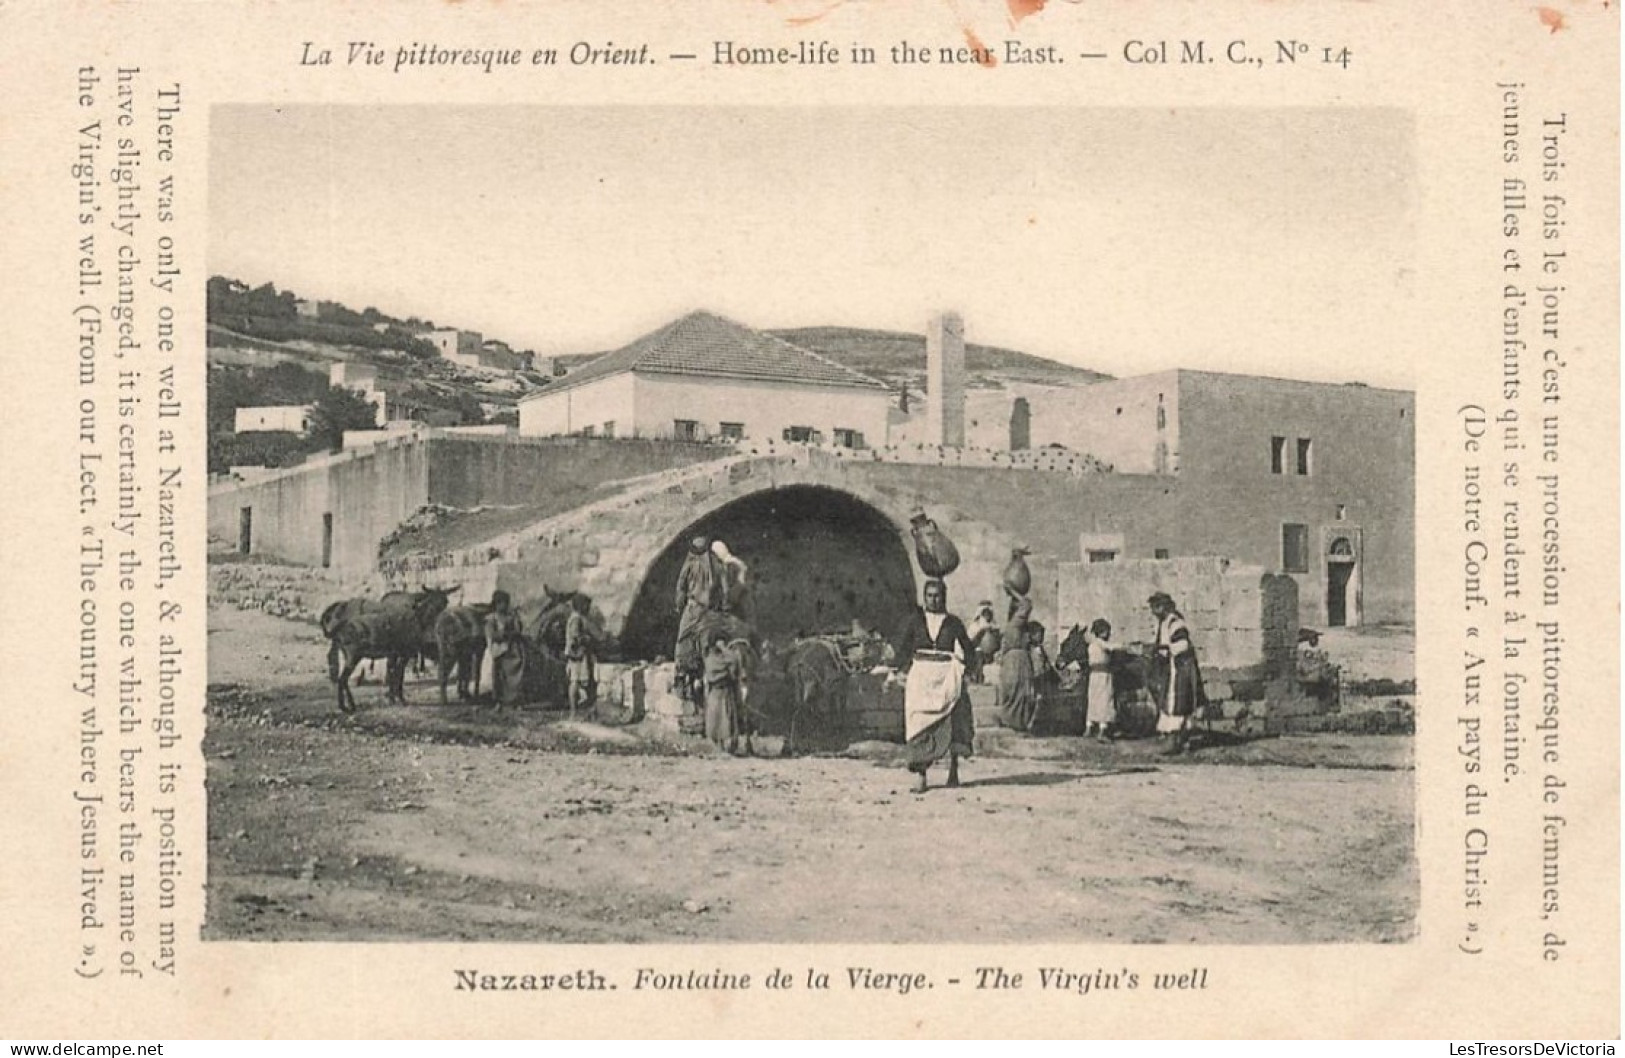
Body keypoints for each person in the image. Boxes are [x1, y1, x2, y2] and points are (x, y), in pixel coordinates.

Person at [894, 578, 978, 793]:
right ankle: (921, 776)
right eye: (929, 595)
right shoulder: (914, 621)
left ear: (944, 597)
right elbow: (902, 649)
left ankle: (954, 769)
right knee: (918, 724)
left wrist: (969, 669)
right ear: (924, 598)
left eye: (937, 595)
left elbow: (968, 649)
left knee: (953, 720)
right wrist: (897, 671)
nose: (933, 599)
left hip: (946, 677)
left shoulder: (953, 623)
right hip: (921, 678)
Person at [1150, 592, 1207, 754]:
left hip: (1181, 668)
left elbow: (1183, 645)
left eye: (1156, 607)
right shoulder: (1164, 623)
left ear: (1164, 607)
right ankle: (1178, 739)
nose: (1154, 612)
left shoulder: (1176, 623)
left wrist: (1166, 651)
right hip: (1171, 667)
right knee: (1168, 699)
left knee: (1178, 701)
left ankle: (1176, 740)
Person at [674, 535, 726, 701]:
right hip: (711, 612)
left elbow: (681, 588)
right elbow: (724, 590)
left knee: (683, 640)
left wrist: (679, 606)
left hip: (694, 608)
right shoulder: (717, 565)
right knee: (708, 644)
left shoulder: (691, 563)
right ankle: (703, 679)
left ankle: (682, 677)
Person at [995, 595, 1040, 732]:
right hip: (1015, 661)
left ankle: (1018, 722)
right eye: (1020, 610)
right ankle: (1012, 721)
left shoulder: (1020, 626)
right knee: (1016, 690)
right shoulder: (1015, 623)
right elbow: (1027, 604)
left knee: (1022, 691)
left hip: (1019, 660)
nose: (1025, 614)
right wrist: (1015, 592)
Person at [702, 630, 745, 754]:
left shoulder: (721, 657)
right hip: (716, 692)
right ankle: (719, 747)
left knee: (728, 720)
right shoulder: (710, 658)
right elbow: (733, 660)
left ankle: (728, 747)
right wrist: (724, 649)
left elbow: (734, 662)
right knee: (717, 721)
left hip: (725, 692)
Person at [482, 590, 526, 707]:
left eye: (507, 603)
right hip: (498, 651)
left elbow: (517, 630)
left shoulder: (510, 617)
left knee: (515, 675)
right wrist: (505, 633)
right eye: (503, 603)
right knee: (499, 677)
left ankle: (513, 699)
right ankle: (499, 700)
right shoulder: (491, 619)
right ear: (497, 604)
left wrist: (516, 622)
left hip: (511, 650)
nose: (506, 605)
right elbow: (492, 635)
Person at [563, 593, 597, 719]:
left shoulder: (575, 617)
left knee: (577, 682)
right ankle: (574, 711)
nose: (588, 609)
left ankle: (579, 710)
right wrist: (586, 639)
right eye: (587, 606)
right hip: (577, 655)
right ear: (581, 606)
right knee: (575, 682)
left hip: (577, 654)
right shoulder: (576, 619)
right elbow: (575, 636)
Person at [1084, 618, 1117, 741]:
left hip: (1093, 676)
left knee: (1093, 699)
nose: (1109, 634)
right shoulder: (1100, 643)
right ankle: (1102, 731)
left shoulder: (1092, 644)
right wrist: (1125, 647)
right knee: (1105, 700)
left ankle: (1089, 728)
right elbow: (1112, 648)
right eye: (1107, 631)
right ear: (1102, 632)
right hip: (1103, 675)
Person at [967, 600, 1001, 682]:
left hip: (993, 654)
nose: (987, 615)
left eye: (989, 613)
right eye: (985, 613)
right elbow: (970, 644)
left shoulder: (995, 626)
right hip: (979, 653)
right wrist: (981, 632)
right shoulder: (974, 626)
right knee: (979, 659)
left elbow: (998, 643)